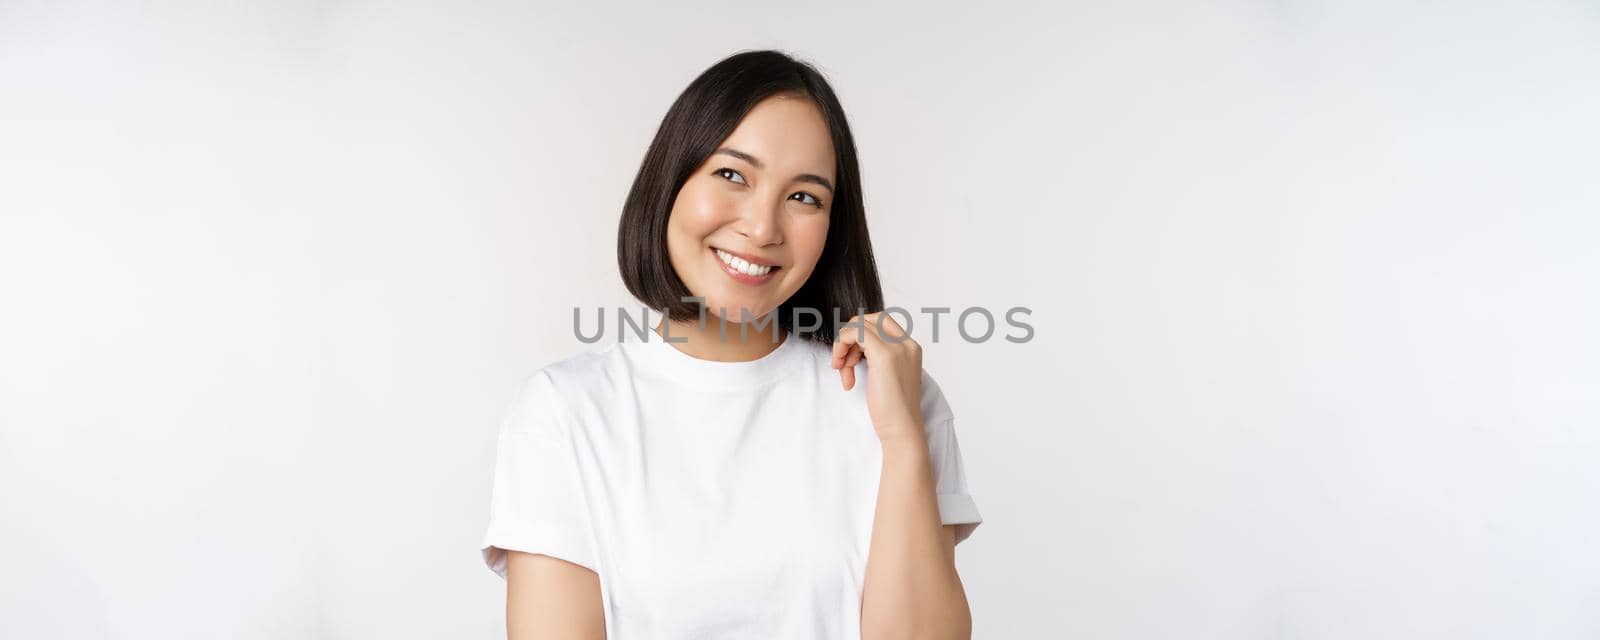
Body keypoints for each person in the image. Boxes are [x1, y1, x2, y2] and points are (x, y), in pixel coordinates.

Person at [480, 49, 982, 639]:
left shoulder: (899, 400)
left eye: (805, 197)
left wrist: (903, 443)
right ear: (671, 181)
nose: (763, 227)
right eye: (732, 174)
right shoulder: (565, 412)